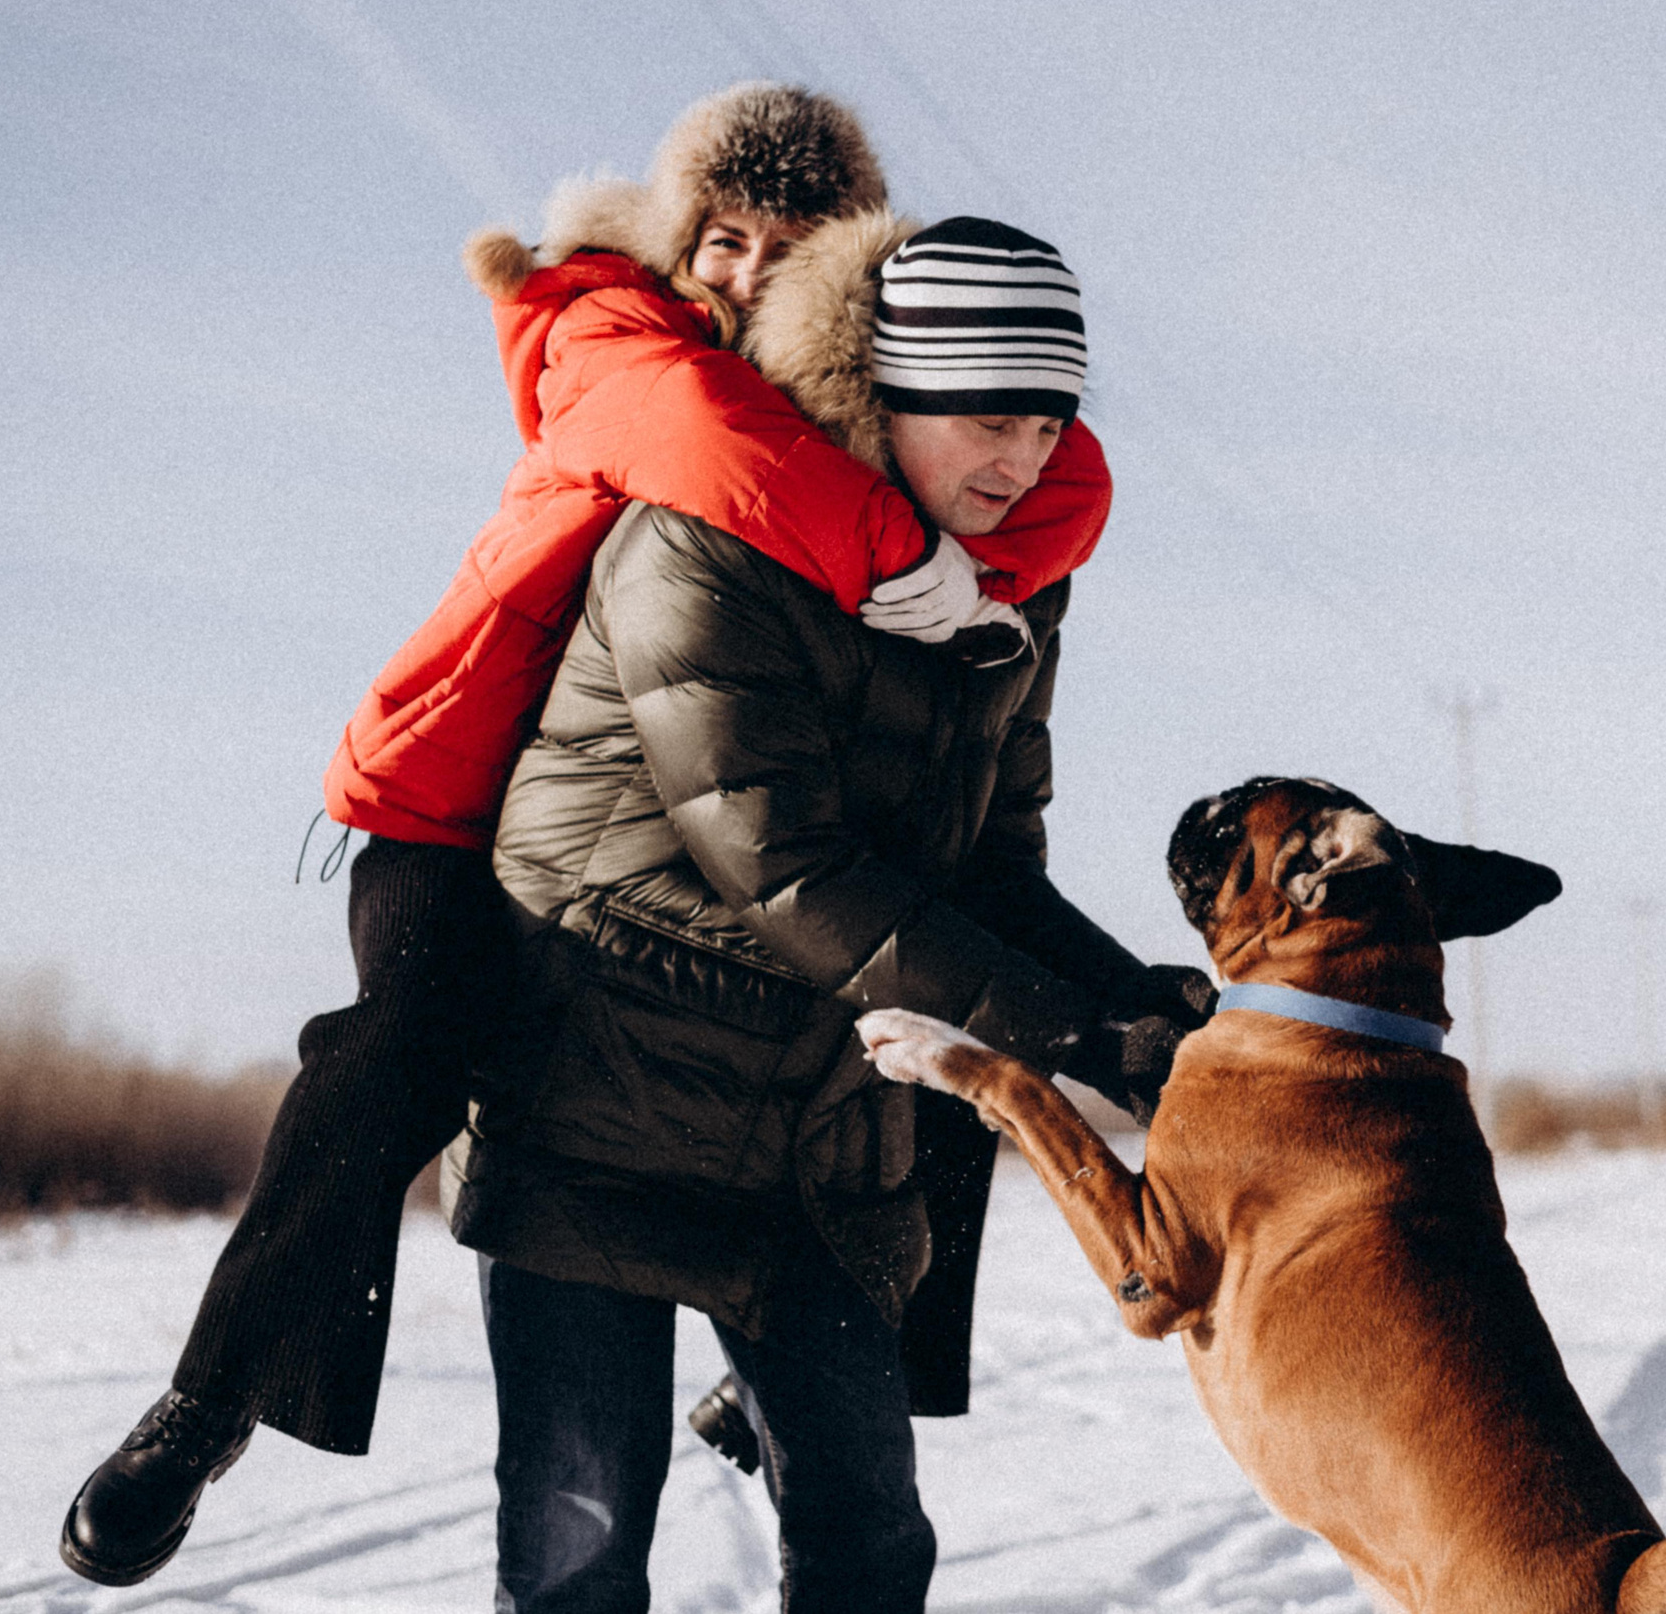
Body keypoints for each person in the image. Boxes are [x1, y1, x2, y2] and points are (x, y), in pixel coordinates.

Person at [57, 83, 1119, 1588]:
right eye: (725, 238)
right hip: (445, 798)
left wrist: (1004, 526)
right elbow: (719, 446)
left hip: (610, 834)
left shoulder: (837, 418)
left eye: (789, 249)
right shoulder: (615, 333)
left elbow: (1055, 481)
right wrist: (922, 559)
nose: (745, 277)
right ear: (674, 228)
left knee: (926, 1057)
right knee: (403, 1048)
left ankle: (785, 1389)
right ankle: (209, 1398)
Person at [451, 212, 1202, 1614]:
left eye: (1053, 422)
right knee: (578, 1552)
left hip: (818, 1133)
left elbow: (993, 869)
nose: (1026, 459)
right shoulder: (702, 543)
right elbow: (785, 866)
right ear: (888, 388)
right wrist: (1076, 1040)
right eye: (992, 416)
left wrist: (1154, 1017)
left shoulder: (1011, 592)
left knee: (870, 1542)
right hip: (597, 1100)